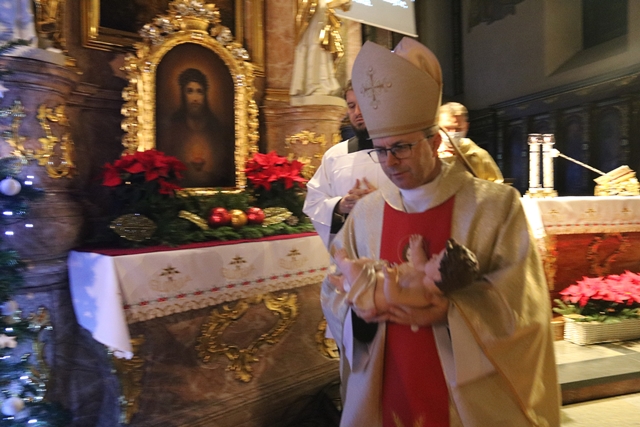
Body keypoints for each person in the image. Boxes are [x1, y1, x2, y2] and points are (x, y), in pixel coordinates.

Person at [322, 38, 560, 426]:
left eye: (401, 147)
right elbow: (333, 288)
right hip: (387, 379)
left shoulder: (495, 206)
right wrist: (358, 308)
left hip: (464, 392)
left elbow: (524, 305)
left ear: (434, 142)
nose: (390, 162)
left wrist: (453, 312)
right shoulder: (365, 214)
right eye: (381, 150)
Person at [303, 80, 392, 248]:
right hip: (351, 252)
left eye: (363, 105)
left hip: (393, 247)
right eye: (351, 106)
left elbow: (421, 198)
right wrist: (339, 206)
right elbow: (313, 203)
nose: (357, 112)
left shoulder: (401, 150)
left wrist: (381, 202)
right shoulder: (335, 155)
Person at [332, 235, 479, 309]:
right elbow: (419, 263)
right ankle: (342, 283)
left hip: (371, 295)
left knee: (352, 268)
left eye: (436, 259)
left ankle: (342, 263)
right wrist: (416, 249)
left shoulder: (424, 295)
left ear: (438, 276)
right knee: (365, 262)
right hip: (375, 282)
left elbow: (394, 298)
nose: (433, 256)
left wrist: (391, 279)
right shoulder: (427, 276)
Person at [160, 68, 234, 188]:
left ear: (205, 95)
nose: (195, 98)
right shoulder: (172, 128)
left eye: (199, 92)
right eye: (190, 91)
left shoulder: (218, 129)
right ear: (183, 95)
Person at [438, 102, 504, 183]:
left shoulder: (479, 155)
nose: (453, 133)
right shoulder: (429, 154)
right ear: (437, 126)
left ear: (466, 127)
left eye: (458, 129)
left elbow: (497, 186)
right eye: (447, 128)